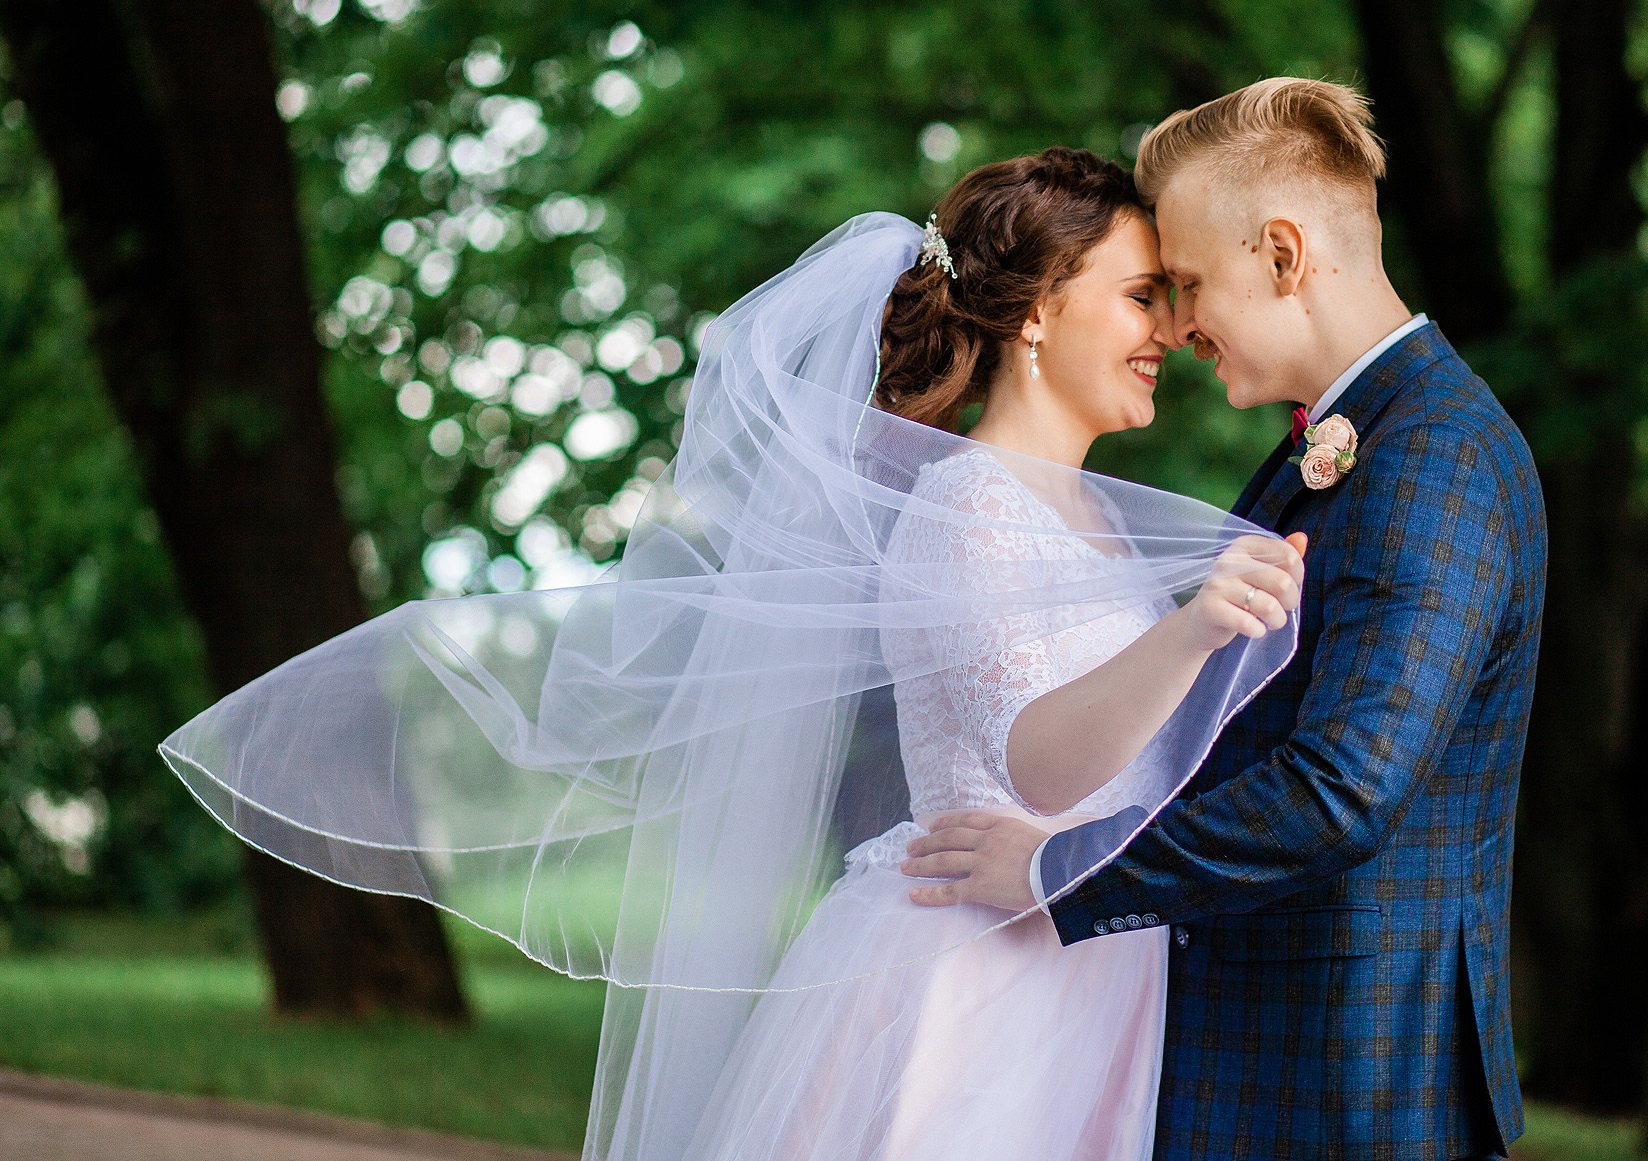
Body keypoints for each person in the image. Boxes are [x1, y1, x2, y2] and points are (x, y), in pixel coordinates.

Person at [161, 146, 1303, 1160]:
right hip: (977, 984)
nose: (1167, 331)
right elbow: (1044, 770)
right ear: (1040, 311)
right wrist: (1193, 628)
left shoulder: (1097, 518)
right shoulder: (967, 505)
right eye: (1141, 296)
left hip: (1092, 967)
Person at [904, 78, 1548, 1160]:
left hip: (1343, 1081)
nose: (1181, 324)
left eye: (1189, 283)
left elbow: (1339, 792)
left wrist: (1060, 867)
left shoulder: (1433, 451)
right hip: (1246, 1061)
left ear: (1284, 256)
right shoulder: (1332, 445)